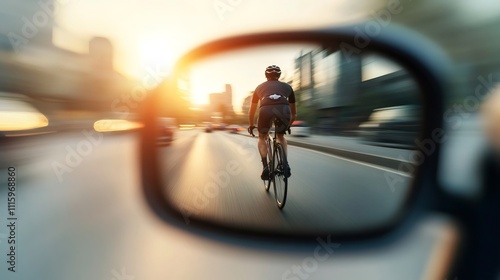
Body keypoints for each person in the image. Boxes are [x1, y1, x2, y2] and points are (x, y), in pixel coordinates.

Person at [247, 65, 296, 179]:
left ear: (266, 75)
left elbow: (251, 111)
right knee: (281, 136)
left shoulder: (259, 88)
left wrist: (251, 125)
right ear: (279, 75)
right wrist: (288, 125)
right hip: (283, 110)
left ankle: (265, 168)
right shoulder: (288, 87)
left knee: (262, 137)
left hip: (265, 110)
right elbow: (294, 114)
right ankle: (285, 164)